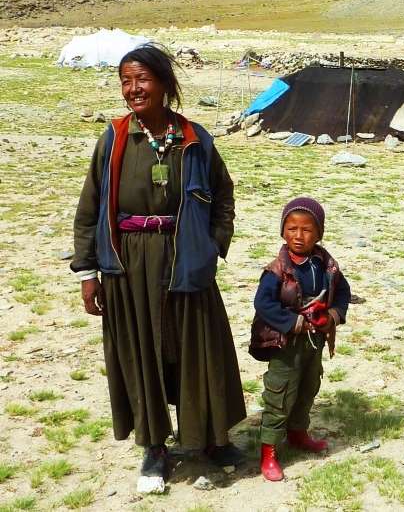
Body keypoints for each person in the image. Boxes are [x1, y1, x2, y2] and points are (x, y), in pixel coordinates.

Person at [71, 44, 246, 487]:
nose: (133, 90)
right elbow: (89, 208)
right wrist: (89, 273)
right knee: (142, 350)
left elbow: (223, 196)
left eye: (142, 80)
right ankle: (153, 447)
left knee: (197, 347)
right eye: (126, 81)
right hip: (128, 264)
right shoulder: (113, 139)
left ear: (164, 84)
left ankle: (209, 437)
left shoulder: (194, 137)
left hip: (186, 258)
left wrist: (213, 246)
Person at [249, 197, 351, 482]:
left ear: (319, 233)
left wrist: (333, 315)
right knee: (279, 394)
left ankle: (297, 433)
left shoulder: (325, 265)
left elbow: (343, 291)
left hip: (314, 342)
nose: (298, 235)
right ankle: (268, 450)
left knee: (308, 387)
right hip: (286, 344)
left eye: (307, 229)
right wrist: (293, 322)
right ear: (283, 231)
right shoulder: (276, 271)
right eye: (292, 228)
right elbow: (263, 303)